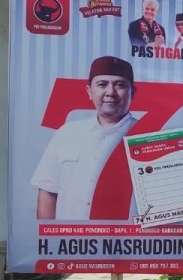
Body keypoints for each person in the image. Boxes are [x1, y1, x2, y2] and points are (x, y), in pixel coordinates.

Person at [31, 56, 140, 220]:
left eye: (120, 85)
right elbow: (47, 191)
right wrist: (48, 239)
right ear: (89, 91)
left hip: (128, 243)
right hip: (71, 243)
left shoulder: (151, 136)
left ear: (133, 92)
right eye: (102, 84)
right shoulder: (67, 133)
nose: (110, 92)